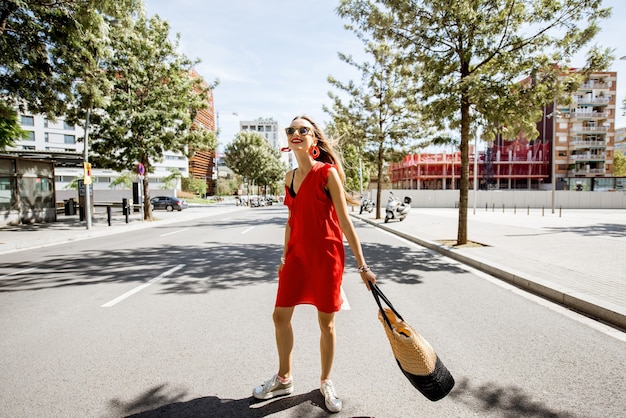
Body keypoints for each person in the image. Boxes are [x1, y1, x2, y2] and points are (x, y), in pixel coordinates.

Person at [252, 115, 376, 413]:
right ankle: (284, 378)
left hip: (326, 256)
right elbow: (291, 220)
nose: (295, 133)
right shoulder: (289, 177)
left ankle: (325, 381)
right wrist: (284, 256)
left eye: (302, 130)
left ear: (314, 139)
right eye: (290, 130)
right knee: (280, 317)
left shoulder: (327, 173)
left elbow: (346, 223)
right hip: (296, 257)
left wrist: (362, 266)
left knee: (326, 323)